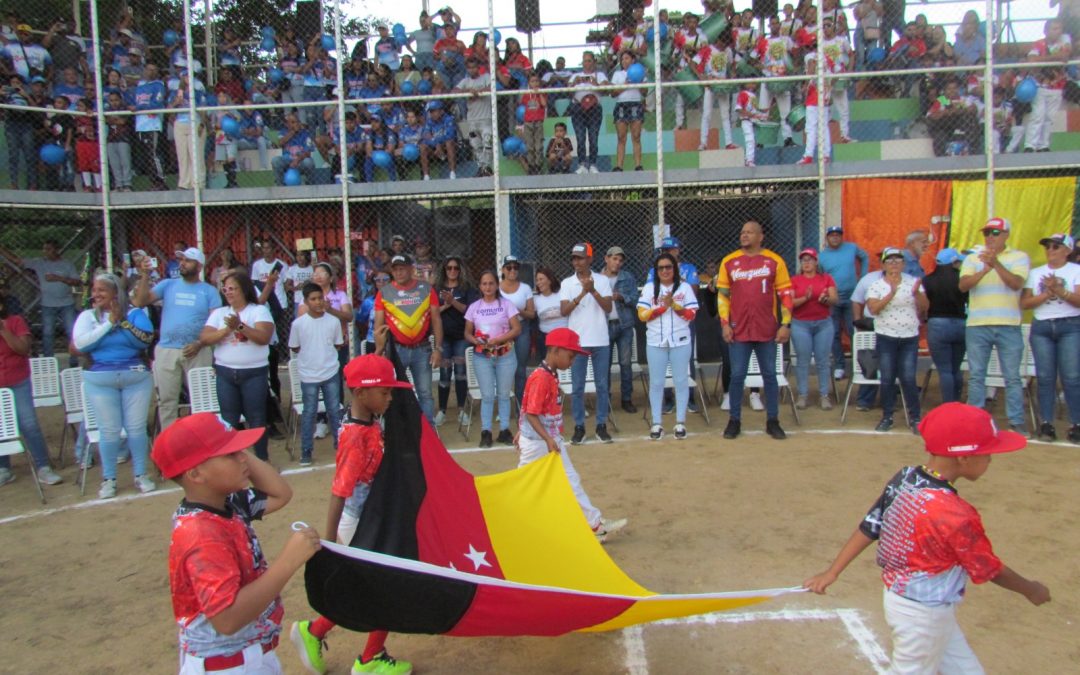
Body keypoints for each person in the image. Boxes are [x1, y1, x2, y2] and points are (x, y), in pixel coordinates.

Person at [804, 403, 1051, 674]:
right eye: (987, 453)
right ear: (964, 458)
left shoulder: (905, 478)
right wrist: (1031, 589)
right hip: (924, 614)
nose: (991, 459)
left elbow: (870, 525)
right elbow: (988, 568)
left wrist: (832, 572)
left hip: (911, 601)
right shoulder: (956, 514)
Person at [153, 413, 321, 675]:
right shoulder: (201, 533)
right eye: (229, 454)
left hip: (249, 655)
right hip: (227, 665)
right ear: (196, 473)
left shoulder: (228, 502)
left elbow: (281, 493)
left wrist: (235, 448)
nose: (243, 457)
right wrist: (288, 561)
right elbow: (227, 619)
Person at [289, 354, 414, 675]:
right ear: (361, 394)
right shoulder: (355, 435)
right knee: (385, 587)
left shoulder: (366, 420)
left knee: (372, 587)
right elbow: (340, 490)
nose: (389, 398)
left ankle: (316, 632)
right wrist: (330, 542)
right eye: (384, 392)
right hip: (360, 521)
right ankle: (369, 658)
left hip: (370, 517)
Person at [516, 327, 627, 542]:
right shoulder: (542, 378)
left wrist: (525, 430)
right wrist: (546, 438)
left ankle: (594, 524)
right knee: (525, 483)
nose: (573, 360)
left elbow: (529, 407)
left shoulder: (547, 374)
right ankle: (512, 520)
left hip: (543, 439)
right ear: (556, 351)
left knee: (567, 480)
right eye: (571, 355)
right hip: (540, 442)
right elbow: (531, 412)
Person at [72, 272, 155, 499]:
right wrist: (109, 324)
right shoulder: (88, 316)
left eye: (102, 290)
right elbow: (82, 343)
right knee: (108, 431)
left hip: (135, 376)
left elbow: (144, 340)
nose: (96, 294)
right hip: (100, 379)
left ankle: (141, 474)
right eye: (94, 290)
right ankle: (109, 479)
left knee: (136, 428)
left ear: (115, 293)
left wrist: (124, 323)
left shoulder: (135, 313)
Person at [717, 221, 793, 440]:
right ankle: (734, 420)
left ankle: (773, 421)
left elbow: (786, 294)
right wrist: (724, 323)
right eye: (742, 232)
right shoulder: (729, 262)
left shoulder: (774, 261)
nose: (744, 235)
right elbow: (723, 296)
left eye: (749, 232)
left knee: (769, 375)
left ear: (761, 236)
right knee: (737, 375)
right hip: (739, 329)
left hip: (767, 329)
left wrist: (785, 324)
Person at [132, 246, 221, 431]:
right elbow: (139, 302)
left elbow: (215, 324)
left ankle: (202, 440)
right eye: (181, 260)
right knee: (167, 401)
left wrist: (200, 343)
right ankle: (171, 446)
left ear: (199, 266)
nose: (182, 263)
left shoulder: (209, 291)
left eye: (187, 260)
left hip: (198, 350)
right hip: (167, 350)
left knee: (203, 400)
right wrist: (145, 275)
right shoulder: (167, 285)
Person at [959, 218, 1031, 435]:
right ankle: (975, 423)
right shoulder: (972, 258)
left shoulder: (1019, 257)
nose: (990, 236)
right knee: (977, 375)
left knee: (1012, 376)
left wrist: (996, 264)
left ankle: (1016, 422)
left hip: (1008, 325)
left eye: (995, 232)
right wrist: (984, 269)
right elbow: (963, 286)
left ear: (1006, 234)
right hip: (978, 324)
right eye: (987, 232)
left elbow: (1016, 284)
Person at [199, 271, 275, 461]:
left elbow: (263, 338)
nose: (228, 292)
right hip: (225, 371)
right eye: (225, 289)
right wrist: (227, 329)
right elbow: (205, 338)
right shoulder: (219, 313)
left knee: (256, 418)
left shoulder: (258, 310)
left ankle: (262, 459)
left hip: (254, 372)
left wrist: (240, 326)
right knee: (229, 419)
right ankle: (231, 460)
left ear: (244, 289)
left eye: (232, 288)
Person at [1020, 233, 1080, 443]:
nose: (1050, 250)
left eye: (1056, 246)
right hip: (1043, 325)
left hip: (1070, 324)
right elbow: (1025, 303)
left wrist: (1060, 291)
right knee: (1045, 377)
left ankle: (1076, 423)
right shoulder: (1036, 273)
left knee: (1071, 377)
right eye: (1048, 247)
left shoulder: (1076, 271)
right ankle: (1046, 422)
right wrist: (1047, 293)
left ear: (1067, 251)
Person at [0, 292, 63, 488]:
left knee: (28, 424)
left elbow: (22, 348)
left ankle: (43, 466)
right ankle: (3, 468)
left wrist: (3, 330)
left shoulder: (15, 321)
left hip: (17, 381)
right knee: (2, 427)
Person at [374, 254, 443, 424]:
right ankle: (398, 431)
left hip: (423, 348)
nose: (399, 272)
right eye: (395, 269)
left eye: (402, 268)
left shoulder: (426, 289)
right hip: (396, 350)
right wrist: (381, 351)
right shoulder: (384, 293)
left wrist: (438, 349)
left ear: (411, 269)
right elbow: (379, 326)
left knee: (425, 392)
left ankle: (428, 431)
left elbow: (436, 319)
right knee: (393, 392)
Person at [638, 253, 699, 440]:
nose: (665, 271)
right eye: (661, 268)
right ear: (656, 271)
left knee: (681, 381)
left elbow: (691, 314)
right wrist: (662, 308)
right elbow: (642, 315)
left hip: (680, 340)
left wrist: (675, 305)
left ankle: (680, 422)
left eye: (668, 267)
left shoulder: (685, 288)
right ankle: (657, 423)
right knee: (656, 383)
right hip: (656, 341)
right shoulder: (649, 288)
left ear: (674, 269)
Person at [867, 248, 929, 432]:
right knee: (887, 378)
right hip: (886, 335)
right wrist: (891, 293)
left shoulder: (913, 282)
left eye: (898, 260)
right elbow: (873, 309)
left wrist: (917, 293)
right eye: (890, 260)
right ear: (883, 264)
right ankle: (887, 416)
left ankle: (915, 418)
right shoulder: (876, 285)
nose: (894, 263)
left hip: (909, 335)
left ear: (903, 264)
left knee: (908, 377)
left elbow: (925, 307)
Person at [560, 242, 614, 445]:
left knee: (602, 385)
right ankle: (579, 427)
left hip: (600, 339)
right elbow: (564, 311)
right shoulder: (567, 283)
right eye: (574, 258)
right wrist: (582, 293)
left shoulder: (602, 280)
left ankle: (601, 426)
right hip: (578, 342)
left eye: (580, 258)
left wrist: (593, 291)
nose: (577, 262)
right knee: (577, 386)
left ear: (590, 259)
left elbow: (608, 308)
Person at [465, 270, 522, 448]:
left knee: (504, 394)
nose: (488, 287)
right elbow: (467, 332)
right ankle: (486, 431)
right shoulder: (474, 307)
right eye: (484, 284)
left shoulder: (506, 304)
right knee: (487, 395)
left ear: (497, 285)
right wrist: (474, 340)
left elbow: (517, 328)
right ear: (480, 287)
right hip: (483, 356)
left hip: (505, 354)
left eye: (491, 283)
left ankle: (504, 430)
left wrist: (500, 339)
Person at [289, 283, 344, 466]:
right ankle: (306, 450)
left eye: (320, 298)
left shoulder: (333, 321)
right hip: (309, 374)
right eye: (313, 299)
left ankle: (341, 447)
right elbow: (295, 347)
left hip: (330, 371)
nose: (318, 302)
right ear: (305, 302)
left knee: (334, 410)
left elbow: (337, 344)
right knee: (309, 412)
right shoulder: (298, 324)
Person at [12, 239, 79, 362]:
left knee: (71, 332)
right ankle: (48, 361)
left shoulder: (67, 264)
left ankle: (73, 360)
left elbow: (77, 282)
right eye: (44, 249)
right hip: (47, 305)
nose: (45, 252)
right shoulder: (40, 263)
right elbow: (17, 261)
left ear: (56, 250)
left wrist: (58, 278)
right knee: (48, 334)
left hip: (66, 303)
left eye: (48, 249)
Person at [818, 224, 869, 380]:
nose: (835, 237)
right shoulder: (821, 256)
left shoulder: (852, 248)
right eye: (832, 235)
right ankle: (839, 366)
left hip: (852, 298)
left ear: (842, 236)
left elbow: (865, 256)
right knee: (833, 334)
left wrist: (863, 276)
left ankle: (859, 365)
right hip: (833, 300)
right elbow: (821, 276)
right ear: (827, 237)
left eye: (838, 234)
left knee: (854, 331)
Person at [790, 248, 838, 410]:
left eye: (810, 260)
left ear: (816, 262)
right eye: (804, 260)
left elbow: (834, 299)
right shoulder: (795, 280)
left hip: (823, 323)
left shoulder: (826, 278)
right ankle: (802, 394)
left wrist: (825, 299)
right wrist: (806, 298)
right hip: (801, 323)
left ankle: (824, 394)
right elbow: (790, 303)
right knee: (802, 360)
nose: (807, 263)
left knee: (823, 361)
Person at [434, 256, 478, 426]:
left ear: (460, 270)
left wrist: (453, 302)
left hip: (461, 336)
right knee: (444, 374)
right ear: (444, 269)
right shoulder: (437, 288)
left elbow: (471, 311)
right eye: (449, 268)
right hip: (443, 337)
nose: (452, 271)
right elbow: (432, 312)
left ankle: (461, 410)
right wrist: (447, 304)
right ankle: (442, 411)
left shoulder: (467, 289)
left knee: (460, 372)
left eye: (455, 268)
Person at [923, 247, 968, 404]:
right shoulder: (963, 278)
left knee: (945, 371)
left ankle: (949, 405)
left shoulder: (927, 280)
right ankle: (957, 403)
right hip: (962, 323)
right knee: (956, 368)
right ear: (954, 262)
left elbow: (924, 305)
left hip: (937, 323)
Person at [601, 246, 640, 414]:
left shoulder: (627, 277)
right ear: (606, 259)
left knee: (625, 363)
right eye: (614, 259)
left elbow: (636, 299)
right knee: (605, 364)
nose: (617, 262)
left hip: (624, 325)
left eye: (620, 260)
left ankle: (626, 399)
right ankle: (606, 399)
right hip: (604, 325)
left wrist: (622, 297)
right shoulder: (597, 279)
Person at [499, 255, 535, 406]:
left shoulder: (525, 288)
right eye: (509, 267)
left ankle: (520, 404)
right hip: (502, 331)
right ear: (503, 270)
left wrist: (517, 310)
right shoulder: (497, 288)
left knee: (520, 369)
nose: (512, 270)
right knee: (503, 368)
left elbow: (532, 314)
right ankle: (504, 404)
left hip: (521, 330)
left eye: (515, 267)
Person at [567, 51, 608, 174]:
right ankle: (582, 164)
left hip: (594, 109)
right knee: (580, 137)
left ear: (594, 62)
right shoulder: (575, 76)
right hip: (578, 108)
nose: (587, 63)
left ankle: (593, 164)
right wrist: (575, 83)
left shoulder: (599, 75)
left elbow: (606, 89)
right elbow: (567, 91)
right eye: (585, 61)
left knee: (593, 137)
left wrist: (594, 83)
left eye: (589, 60)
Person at [610, 50, 645, 172]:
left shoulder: (640, 72)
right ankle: (619, 166)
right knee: (621, 137)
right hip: (621, 105)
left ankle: (638, 165)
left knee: (636, 136)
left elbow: (644, 92)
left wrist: (639, 82)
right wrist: (625, 84)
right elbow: (613, 93)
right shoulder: (618, 74)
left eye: (627, 58)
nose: (624, 61)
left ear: (633, 60)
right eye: (622, 59)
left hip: (635, 103)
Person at [532, 266, 567, 361]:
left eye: (541, 279)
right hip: (545, 338)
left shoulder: (562, 294)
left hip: (564, 336)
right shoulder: (536, 299)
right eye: (537, 280)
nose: (538, 283)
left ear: (550, 280)